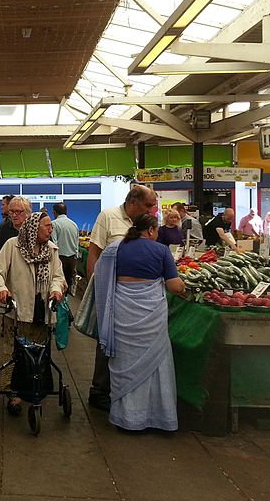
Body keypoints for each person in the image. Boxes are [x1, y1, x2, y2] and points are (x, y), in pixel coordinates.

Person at [94, 213, 185, 432]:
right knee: (156, 365)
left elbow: (100, 276)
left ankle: (126, 417)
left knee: (124, 361)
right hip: (152, 318)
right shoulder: (161, 251)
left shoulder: (115, 249)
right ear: (152, 230)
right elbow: (175, 287)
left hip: (122, 315)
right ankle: (156, 417)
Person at [86, 184, 157, 411]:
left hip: (139, 297)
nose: (152, 210)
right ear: (133, 201)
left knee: (131, 343)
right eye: (148, 205)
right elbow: (94, 252)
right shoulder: (108, 216)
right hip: (112, 292)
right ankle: (99, 390)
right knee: (107, 340)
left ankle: (127, 389)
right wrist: (96, 287)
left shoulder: (145, 223)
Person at [0, 212, 65, 415]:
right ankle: (11, 392)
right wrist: (1, 289)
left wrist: (56, 289)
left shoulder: (51, 250)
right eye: (47, 226)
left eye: (51, 226)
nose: (51, 230)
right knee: (14, 352)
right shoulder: (12, 246)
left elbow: (58, 275)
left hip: (42, 311)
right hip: (18, 308)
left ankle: (35, 389)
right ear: (34, 228)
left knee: (39, 353)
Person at [50, 202, 78, 293]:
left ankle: (59, 305)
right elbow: (76, 244)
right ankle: (65, 304)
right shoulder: (74, 224)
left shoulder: (54, 224)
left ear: (54, 212)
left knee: (58, 285)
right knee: (68, 286)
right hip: (72, 259)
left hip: (59, 259)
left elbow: (54, 244)